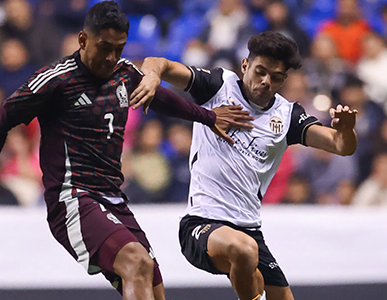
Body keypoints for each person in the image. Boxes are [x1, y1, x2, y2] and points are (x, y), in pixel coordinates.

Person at [0, 2, 253, 300]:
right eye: (104, 47)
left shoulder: (124, 73)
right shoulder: (57, 80)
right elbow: (2, 117)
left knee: (154, 286)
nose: (110, 57)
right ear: (83, 40)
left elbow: (160, 99)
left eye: (118, 48)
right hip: (73, 199)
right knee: (136, 262)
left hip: (113, 199)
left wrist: (209, 117)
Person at [130, 31, 358, 300]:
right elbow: (158, 62)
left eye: (275, 77)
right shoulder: (218, 86)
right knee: (244, 251)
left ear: (284, 80)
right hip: (201, 225)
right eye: (260, 71)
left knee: (257, 264)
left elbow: (342, 146)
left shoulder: (287, 117)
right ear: (245, 65)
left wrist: (346, 130)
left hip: (250, 231)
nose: (265, 82)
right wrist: (154, 75)